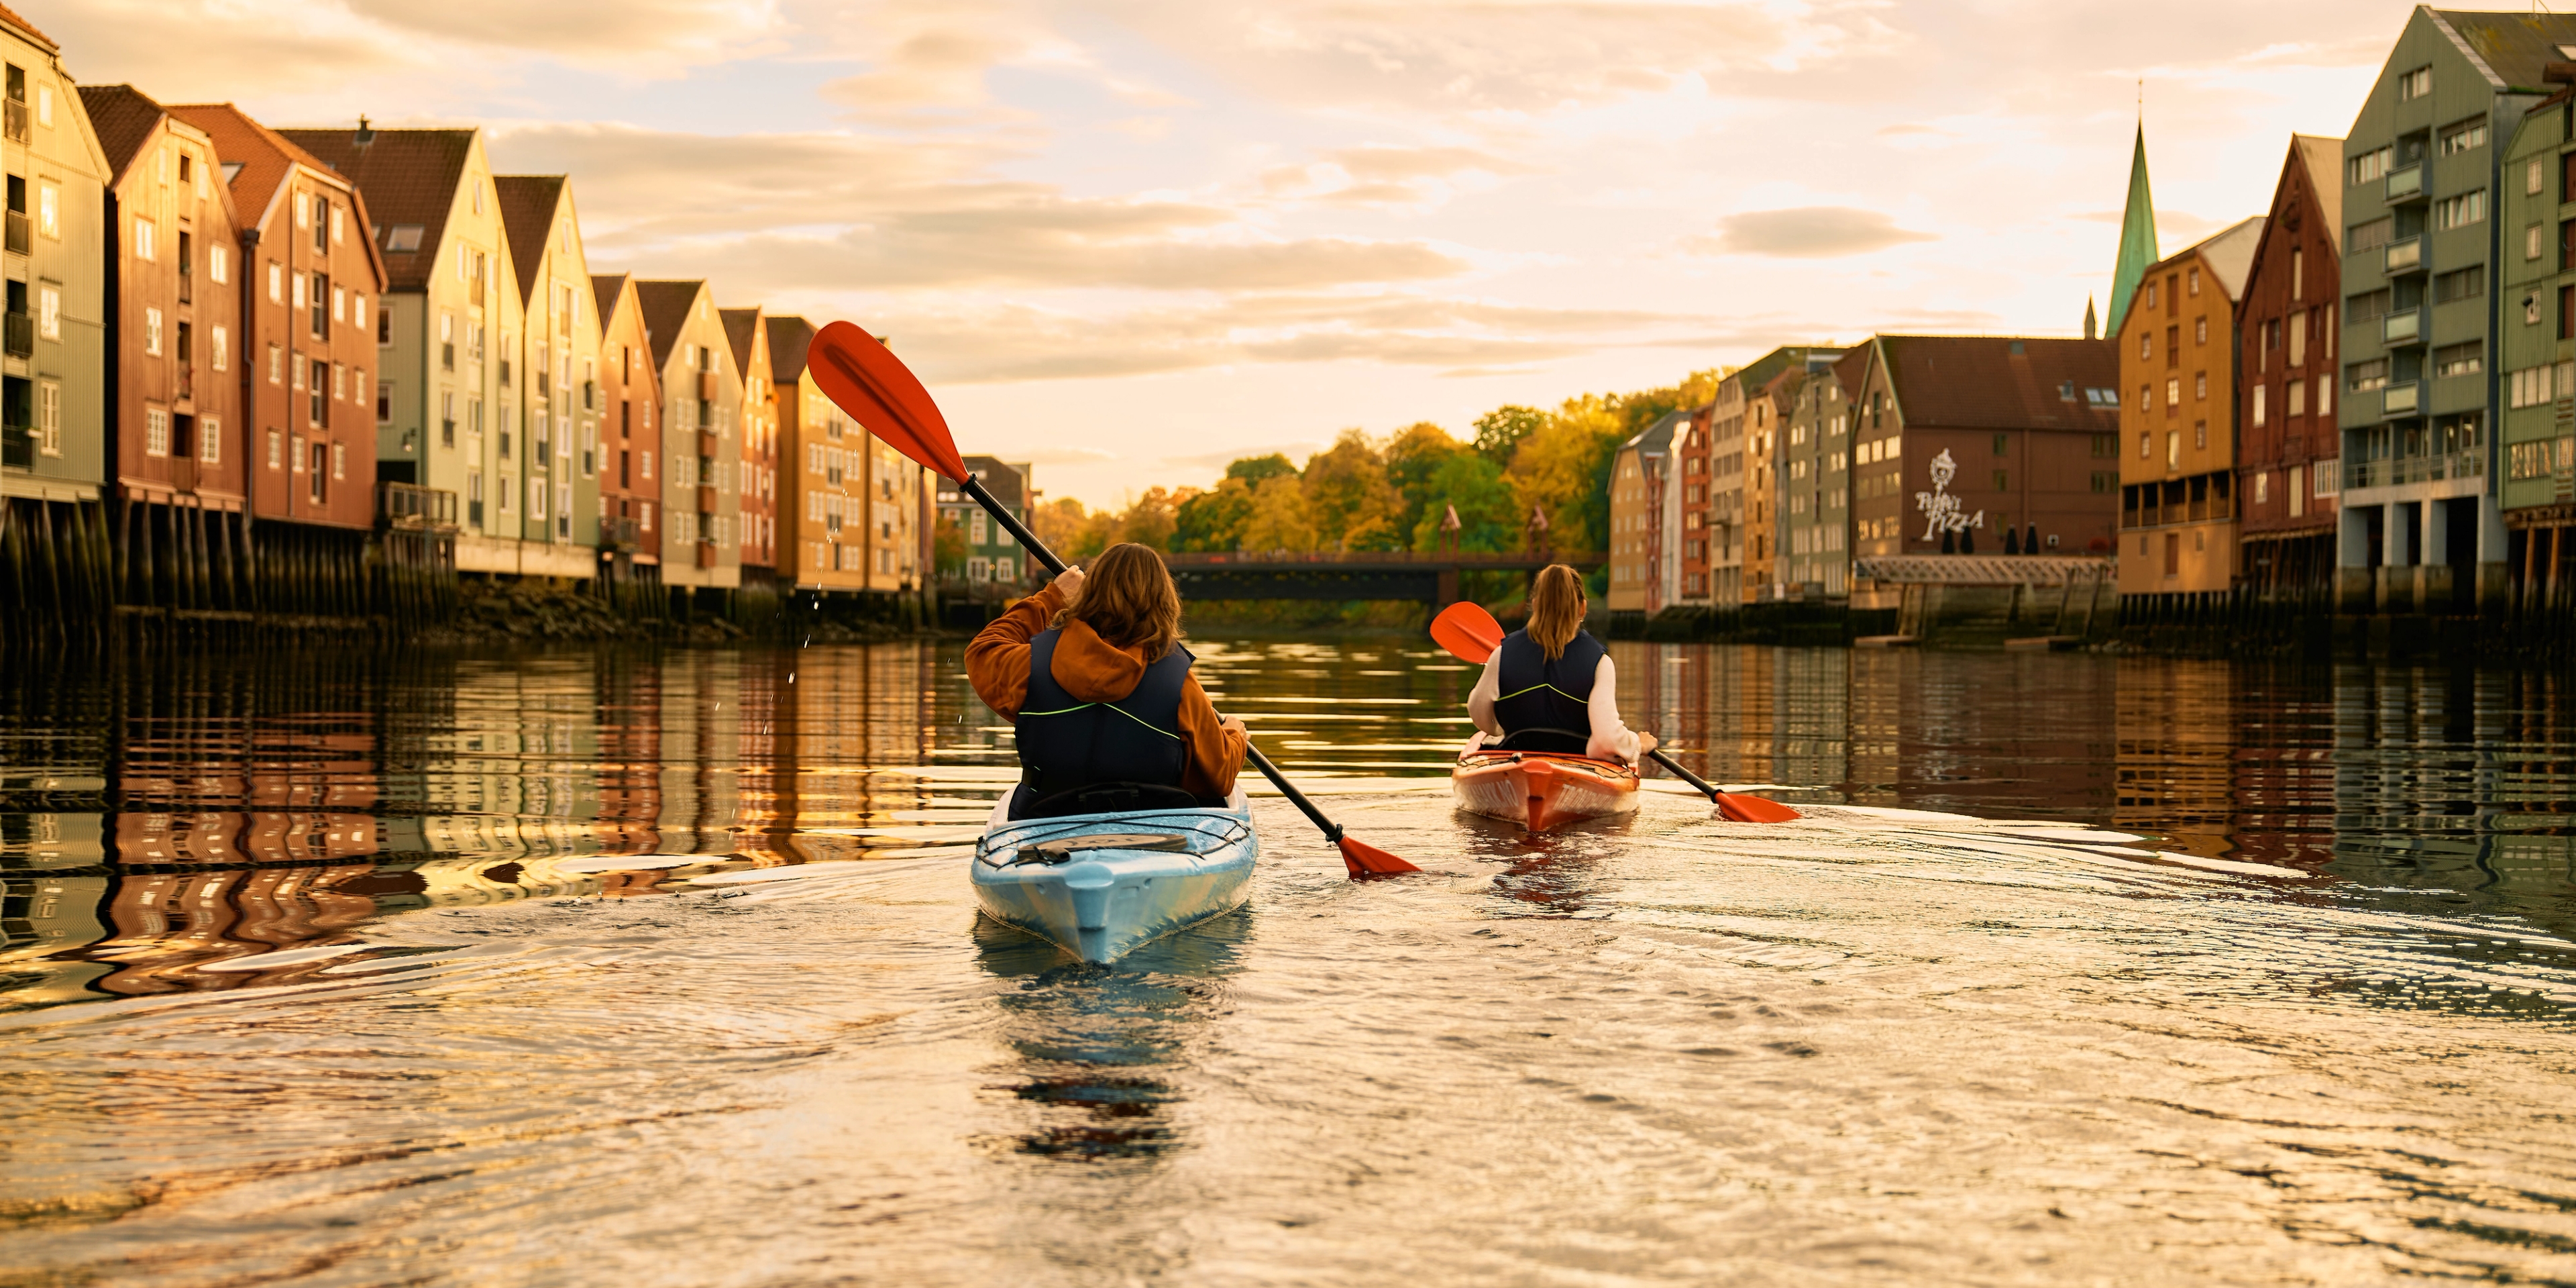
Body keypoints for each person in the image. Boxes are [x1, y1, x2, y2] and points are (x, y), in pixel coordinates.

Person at [967, 542, 1248, 820]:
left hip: (1046, 823)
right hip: (1155, 829)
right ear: (1164, 603)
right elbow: (1219, 779)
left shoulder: (1030, 666)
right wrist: (1234, 736)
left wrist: (1052, 597)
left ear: (1087, 596)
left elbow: (983, 649)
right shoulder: (1181, 686)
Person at [1465, 564, 1656, 764]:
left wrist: (1498, 728)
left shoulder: (1502, 655)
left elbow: (1479, 713)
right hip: (1579, 764)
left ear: (1536, 605)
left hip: (1515, 758)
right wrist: (1637, 745)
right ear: (1582, 607)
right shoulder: (1600, 663)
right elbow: (1607, 738)